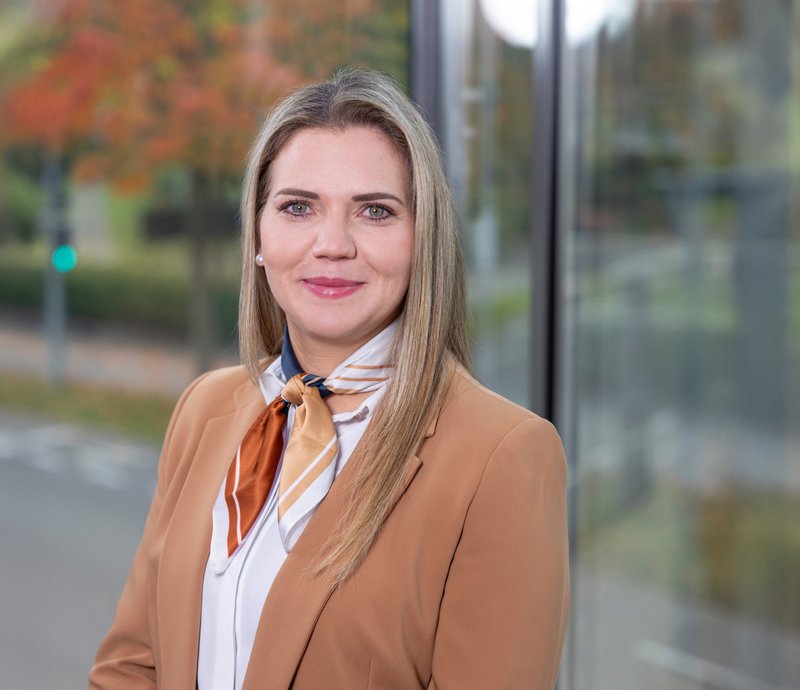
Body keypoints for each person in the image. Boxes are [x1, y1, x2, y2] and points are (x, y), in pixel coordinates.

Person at [90, 66, 569, 690]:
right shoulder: (204, 408)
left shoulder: (502, 458)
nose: (332, 244)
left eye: (374, 211)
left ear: (422, 240)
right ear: (258, 235)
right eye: (298, 207)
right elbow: (132, 665)